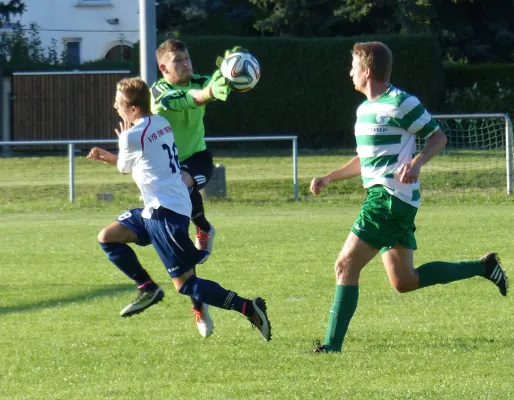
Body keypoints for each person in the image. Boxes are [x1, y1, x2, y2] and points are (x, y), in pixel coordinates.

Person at [309, 41, 508, 353]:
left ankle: (332, 346)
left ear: (368, 70)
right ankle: (484, 267)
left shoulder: (401, 102)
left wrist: (416, 163)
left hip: (389, 198)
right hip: (390, 199)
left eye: (353, 67)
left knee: (345, 265)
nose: (350, 73)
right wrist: (329, 177)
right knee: (405, 281)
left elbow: (437, 137)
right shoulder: (364, 111)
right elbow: (365, 159)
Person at [87, 77, 271, 342]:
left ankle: (247, 307)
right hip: (160, 208)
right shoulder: (162, 123)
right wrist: (116, 151)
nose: (115, 107)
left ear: (134, 109)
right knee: (108, 237)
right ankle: (147, 287)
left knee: (185, 284)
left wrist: (119, 144)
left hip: (165, 213)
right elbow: (144, 164)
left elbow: (125, 168)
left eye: (119, 103)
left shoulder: (131, 135)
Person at [150, 39, 231, 263]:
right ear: (163, 68)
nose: (186, 63)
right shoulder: (159, 91)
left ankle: (201, 231)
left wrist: (232, 74)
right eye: (178, 60)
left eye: (187, 58)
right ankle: (198, 231)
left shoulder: (199, 81)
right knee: (169, 203)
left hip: (198, 157)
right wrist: (209, 92)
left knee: (182, 182)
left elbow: (216, 85)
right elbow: (189, 100)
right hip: (167, 163)